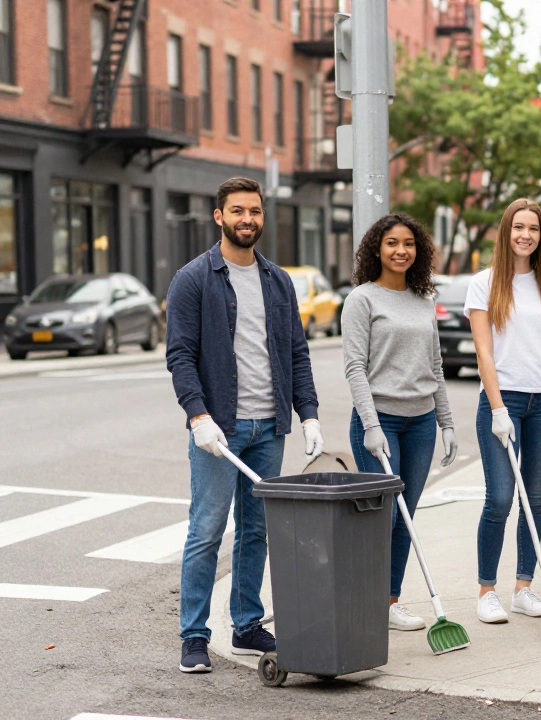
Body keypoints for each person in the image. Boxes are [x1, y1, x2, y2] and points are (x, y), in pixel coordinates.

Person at [166, 177, 324, 674]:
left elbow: (296, 353)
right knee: (207, 530)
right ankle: (193, 635)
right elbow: (180, 356)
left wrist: (310, 413)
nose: (247, 219)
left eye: (254, 211)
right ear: (219, 217)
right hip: (219, 429)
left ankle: (246, 623)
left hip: (268, 427)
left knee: (256, 530)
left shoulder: (278, 281)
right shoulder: (193, 279)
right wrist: (198, 416)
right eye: (237, 211)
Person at [342, 212, 459, 632]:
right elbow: (355, 367)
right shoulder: (362, 299)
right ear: (377, 248)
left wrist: (446, 422)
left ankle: (389, 602)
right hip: (380, 423)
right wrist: (371, 425)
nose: (400, 250)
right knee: (384, 517)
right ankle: (365, 598)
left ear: (418, 251)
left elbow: (436, 367)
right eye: (392, 243)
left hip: (421, 421)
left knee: (406, 515)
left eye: (408, 243)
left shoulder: (423, 302)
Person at [467, 198, 541, 624]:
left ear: (540, 235)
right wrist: (497, 409)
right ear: (506, 231)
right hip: (505, 399)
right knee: (499, 498)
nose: (525, 235)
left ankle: (523, 587)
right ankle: (486, 591)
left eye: (533, 228)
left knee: (534, 498)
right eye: (518, 227)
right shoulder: (485, 282)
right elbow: (484, 352)